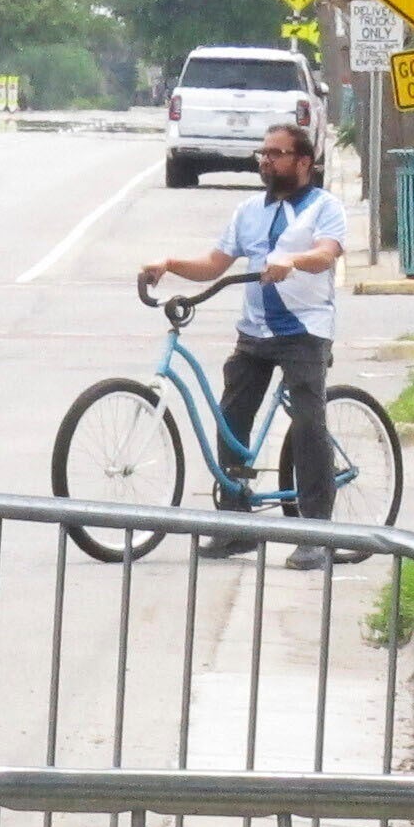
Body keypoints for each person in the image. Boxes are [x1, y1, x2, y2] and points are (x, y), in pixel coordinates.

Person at [145, 121, 351, 572]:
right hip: (254, 332)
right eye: (263, 153)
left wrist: (292, 261)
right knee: (232, 416)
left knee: (308, 423)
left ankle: (318, 532)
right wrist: (169, 265)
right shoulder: (248, 212)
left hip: (304, 332)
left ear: (303, 162)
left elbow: (326, 254)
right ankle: (237, 525)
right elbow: (214, 264)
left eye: (277, 153)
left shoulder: (324, 207)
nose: (266, 161)